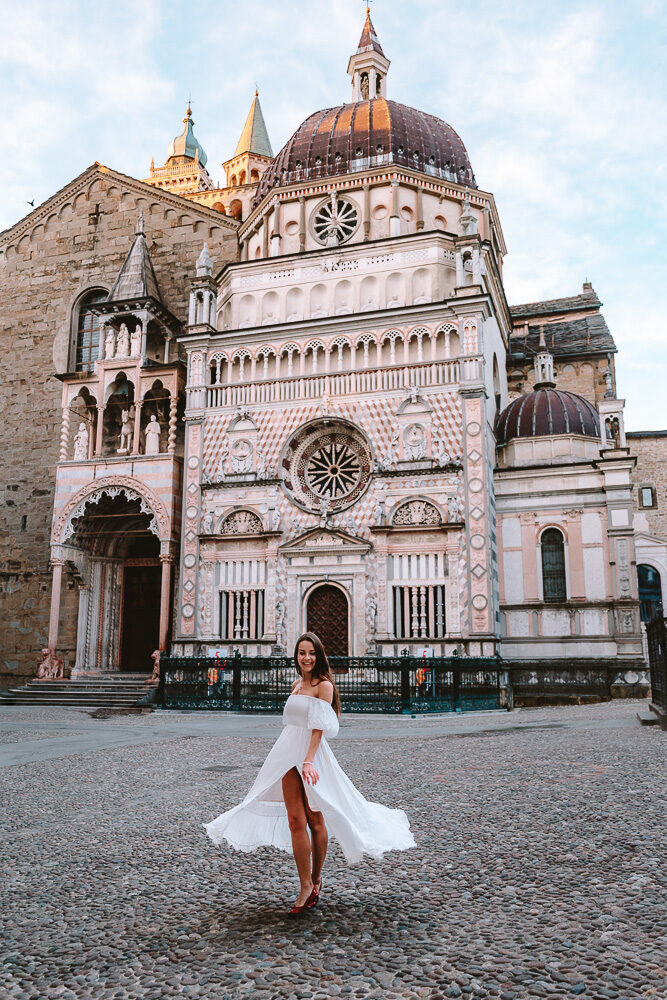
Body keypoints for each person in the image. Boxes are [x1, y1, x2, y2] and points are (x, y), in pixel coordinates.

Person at [204, 632, 415, 914]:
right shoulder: (295, 684)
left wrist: (309, 760)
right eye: (302, 653)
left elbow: (319, 726)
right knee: (295, 820)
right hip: (286, 752)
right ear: (297, 656)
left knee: (316, 819)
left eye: (311, 653)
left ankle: (317, 878)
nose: (306, 658)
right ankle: (305, 885)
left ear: (319, 656)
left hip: (310, 756)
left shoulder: (323, 685)